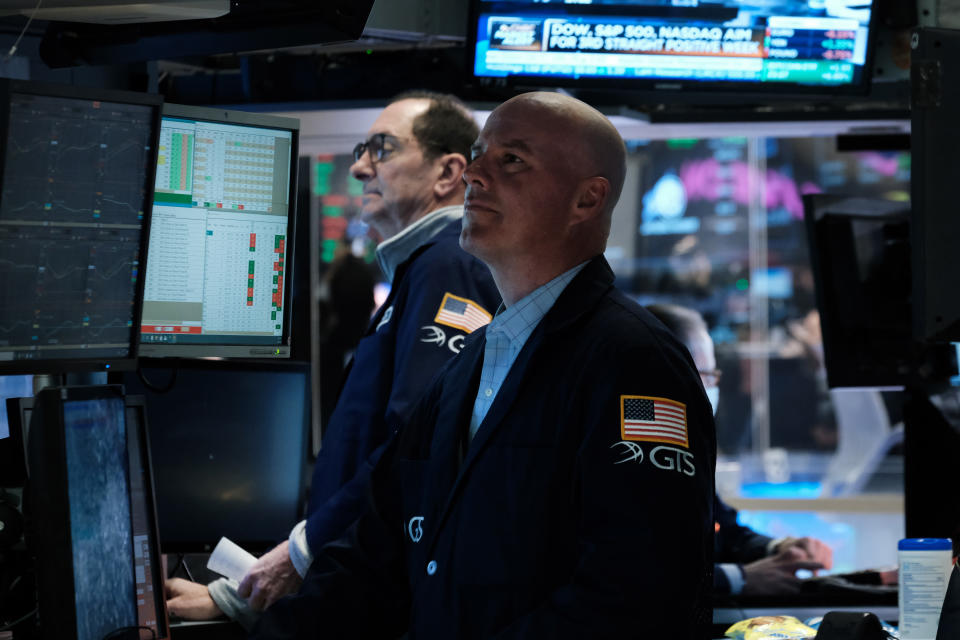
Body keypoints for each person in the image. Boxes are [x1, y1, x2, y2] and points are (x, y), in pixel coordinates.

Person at [252, 92, 716, 639]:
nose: (474, 174)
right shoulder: (470, 363)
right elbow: (375, 550)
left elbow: (636, 596)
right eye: (478, 154)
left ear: (587, 200)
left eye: (511, 160)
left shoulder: (635, 362)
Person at [165, 91, 501, 626]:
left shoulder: (448, 267)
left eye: (382, 148)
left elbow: (410, 450)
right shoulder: (423, 271)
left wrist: (288, 566)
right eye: (361, 149)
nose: (362, 165)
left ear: (448, 172)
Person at [646, 303, 834, 597]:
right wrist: (740, 578)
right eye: (707, 374)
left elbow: (724, 531)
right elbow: (642, 570)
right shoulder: (638, 457)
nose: (712, 386)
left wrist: (780, 548)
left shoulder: (686, 449)